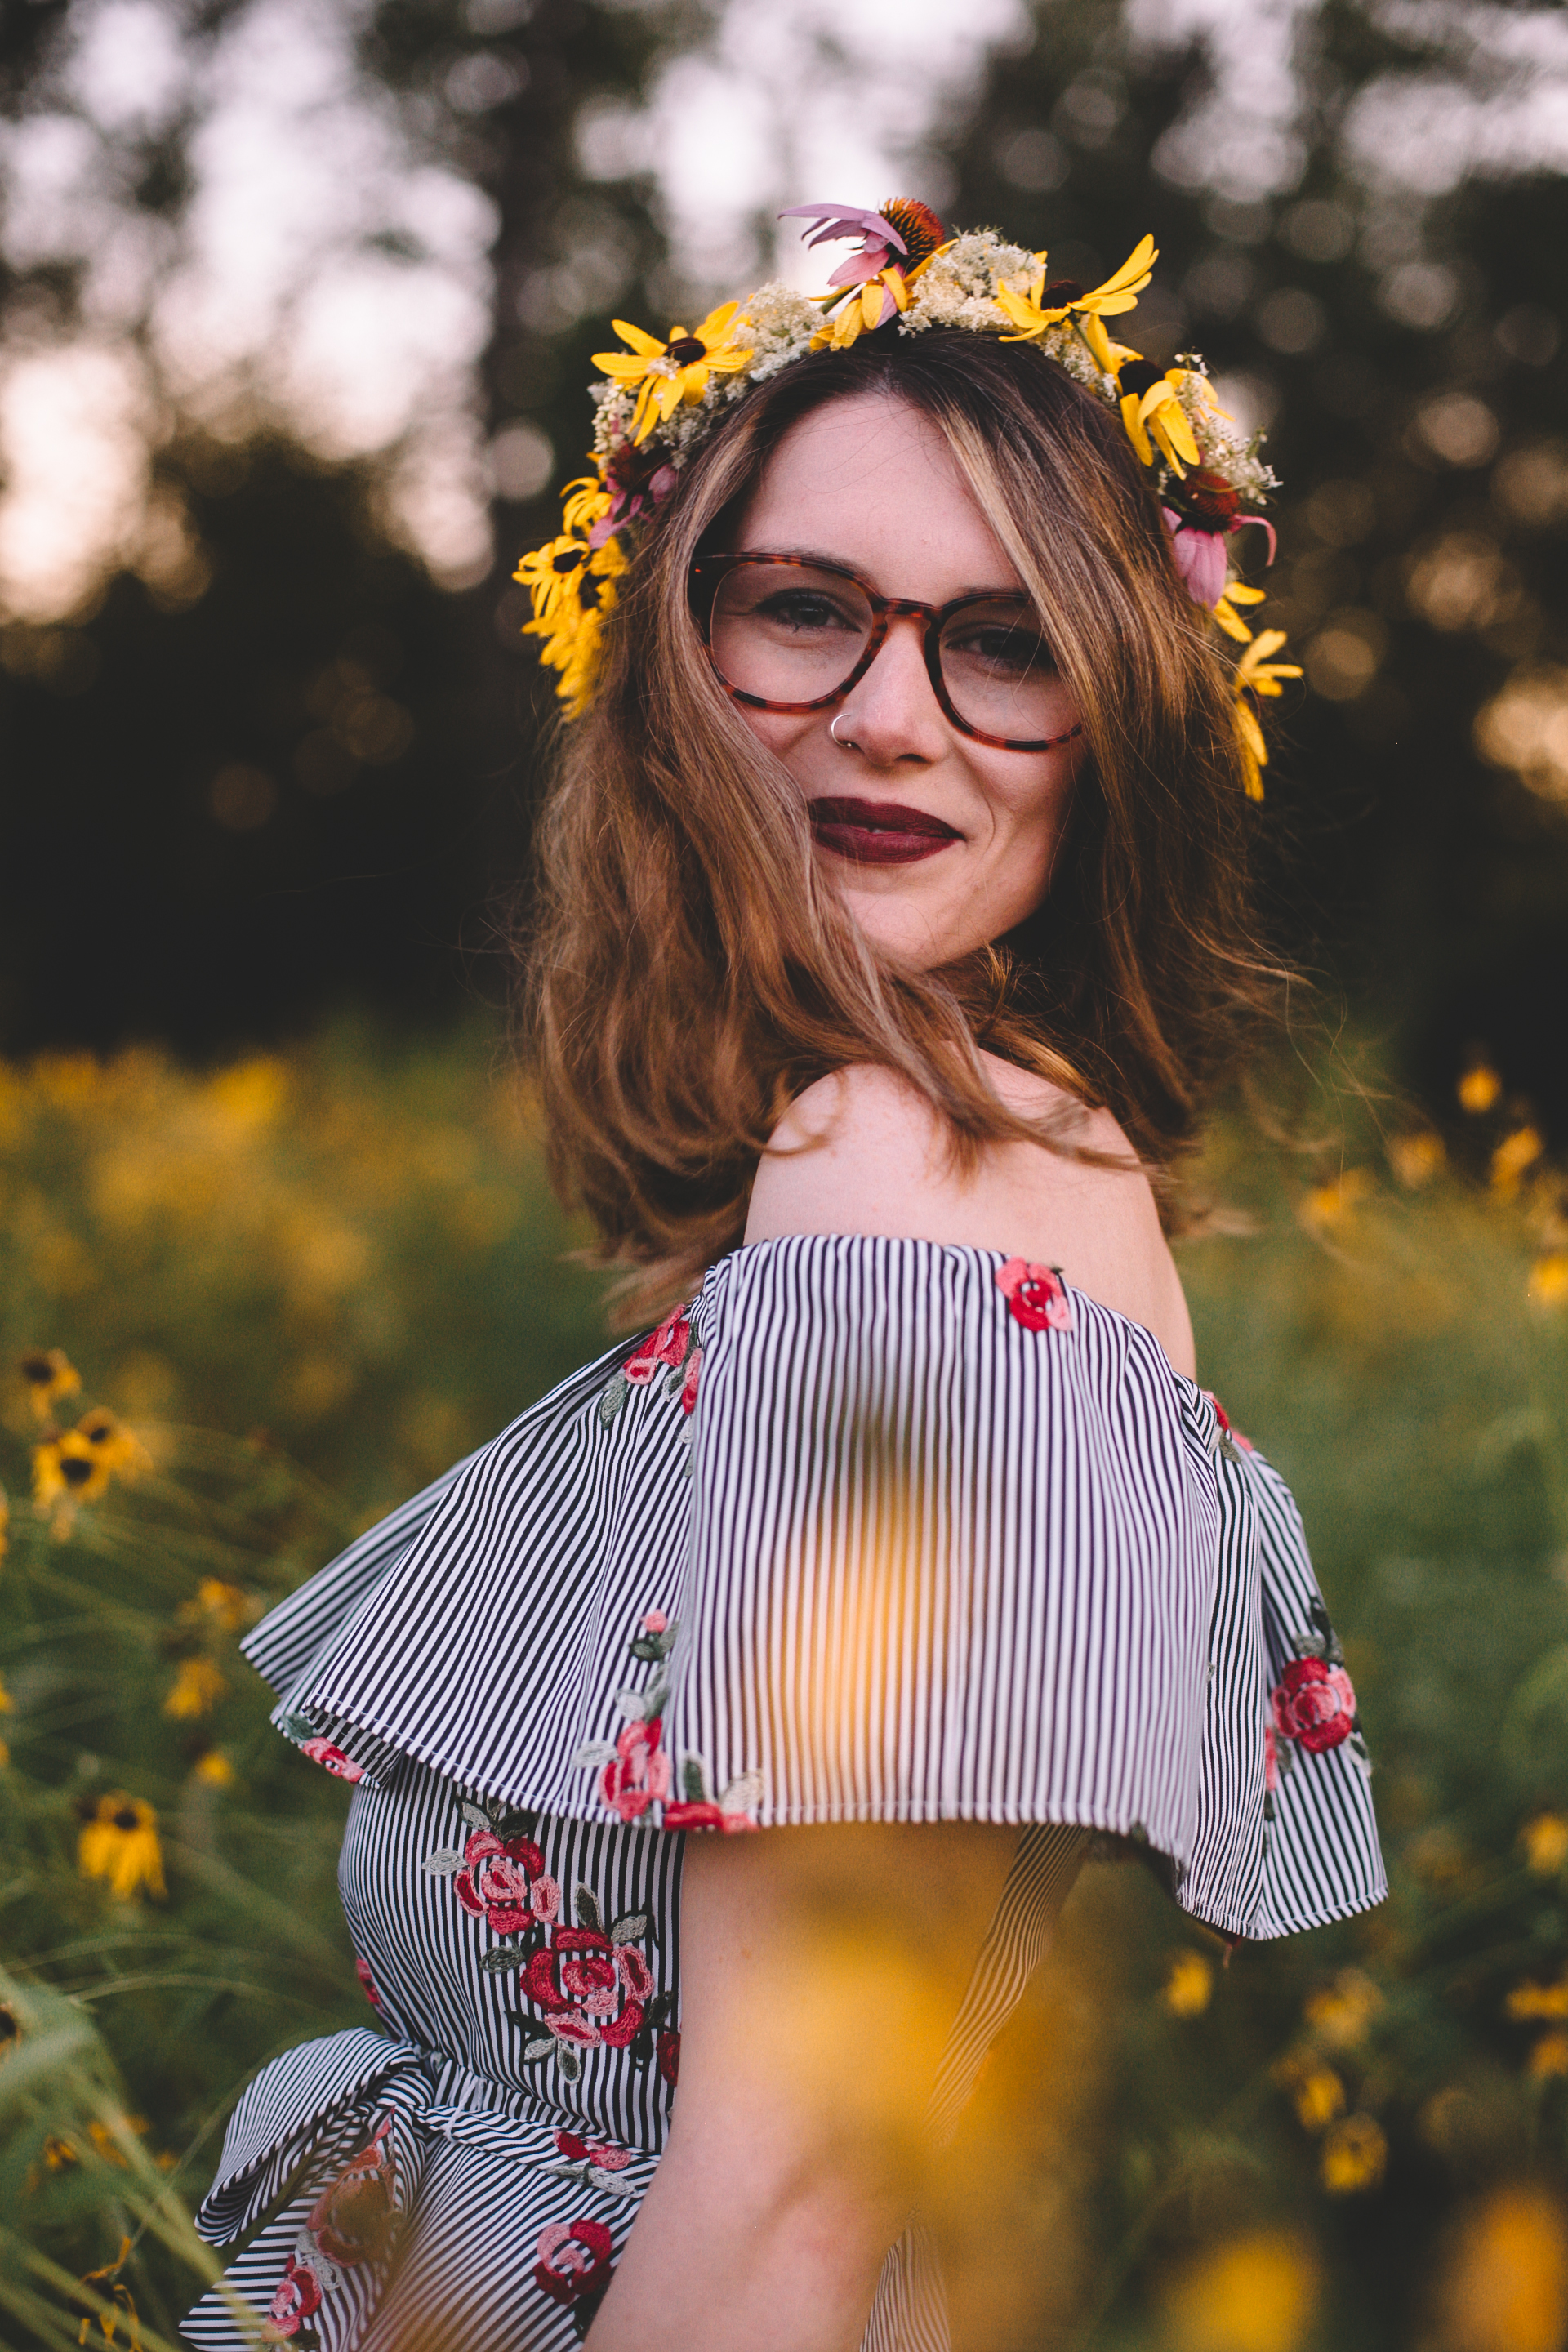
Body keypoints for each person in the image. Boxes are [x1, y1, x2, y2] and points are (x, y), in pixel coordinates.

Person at [182, 201, 1383, 2352]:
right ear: (667, 658)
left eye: (1004, 642)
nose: (892, 715)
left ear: (1121, 715)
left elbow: (806, 2175)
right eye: (807, 610)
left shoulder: (901, 1179)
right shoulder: (905, 1160)